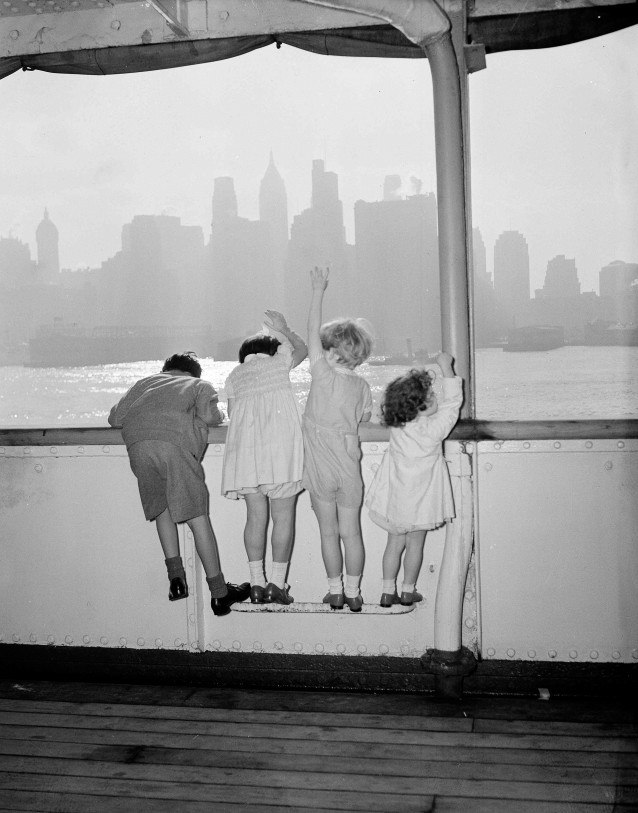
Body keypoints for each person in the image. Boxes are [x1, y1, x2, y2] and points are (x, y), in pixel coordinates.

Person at [108, 351, 250, 616]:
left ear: (166, 370)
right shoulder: (198, 384)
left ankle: (176, 578)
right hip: (174, 446)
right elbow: (210, 416)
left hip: (138, 447)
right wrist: (214, 414)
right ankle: (220, 594)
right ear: (193, 373)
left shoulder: (144, 383)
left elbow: (115, 418)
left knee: (162, 509)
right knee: (198, 518)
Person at [221, 311, 307, 605]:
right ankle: (277, 585)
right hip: (281, 456)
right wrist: (284, 329)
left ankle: (256, 584)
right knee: (283, 518)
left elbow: (232, 413)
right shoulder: (279, 362)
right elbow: (302, 349)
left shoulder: (234, 376)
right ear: (271, 350)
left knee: (255, 519)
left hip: (246, 459)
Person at [365, 352, 463, 607]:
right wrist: (446, 368)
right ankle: (408, 591)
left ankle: (387, 591)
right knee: (415, 546)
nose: (436, 398)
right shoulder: (434, 429)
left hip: (396, 502)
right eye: (432, 396)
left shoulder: (398, 427)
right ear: (422, 405)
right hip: (422, 506)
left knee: (394, 544)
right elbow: (453, 403)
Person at [303, 266, 373, 612]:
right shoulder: (362, 386)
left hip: (321, 471)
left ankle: (335, 590)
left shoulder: (322, 374)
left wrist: (318, 290)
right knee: (352, 533)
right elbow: (365, 419)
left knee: (328, 533)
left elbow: (310, 332)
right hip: (349, 471)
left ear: (330, 353)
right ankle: (355, 592)